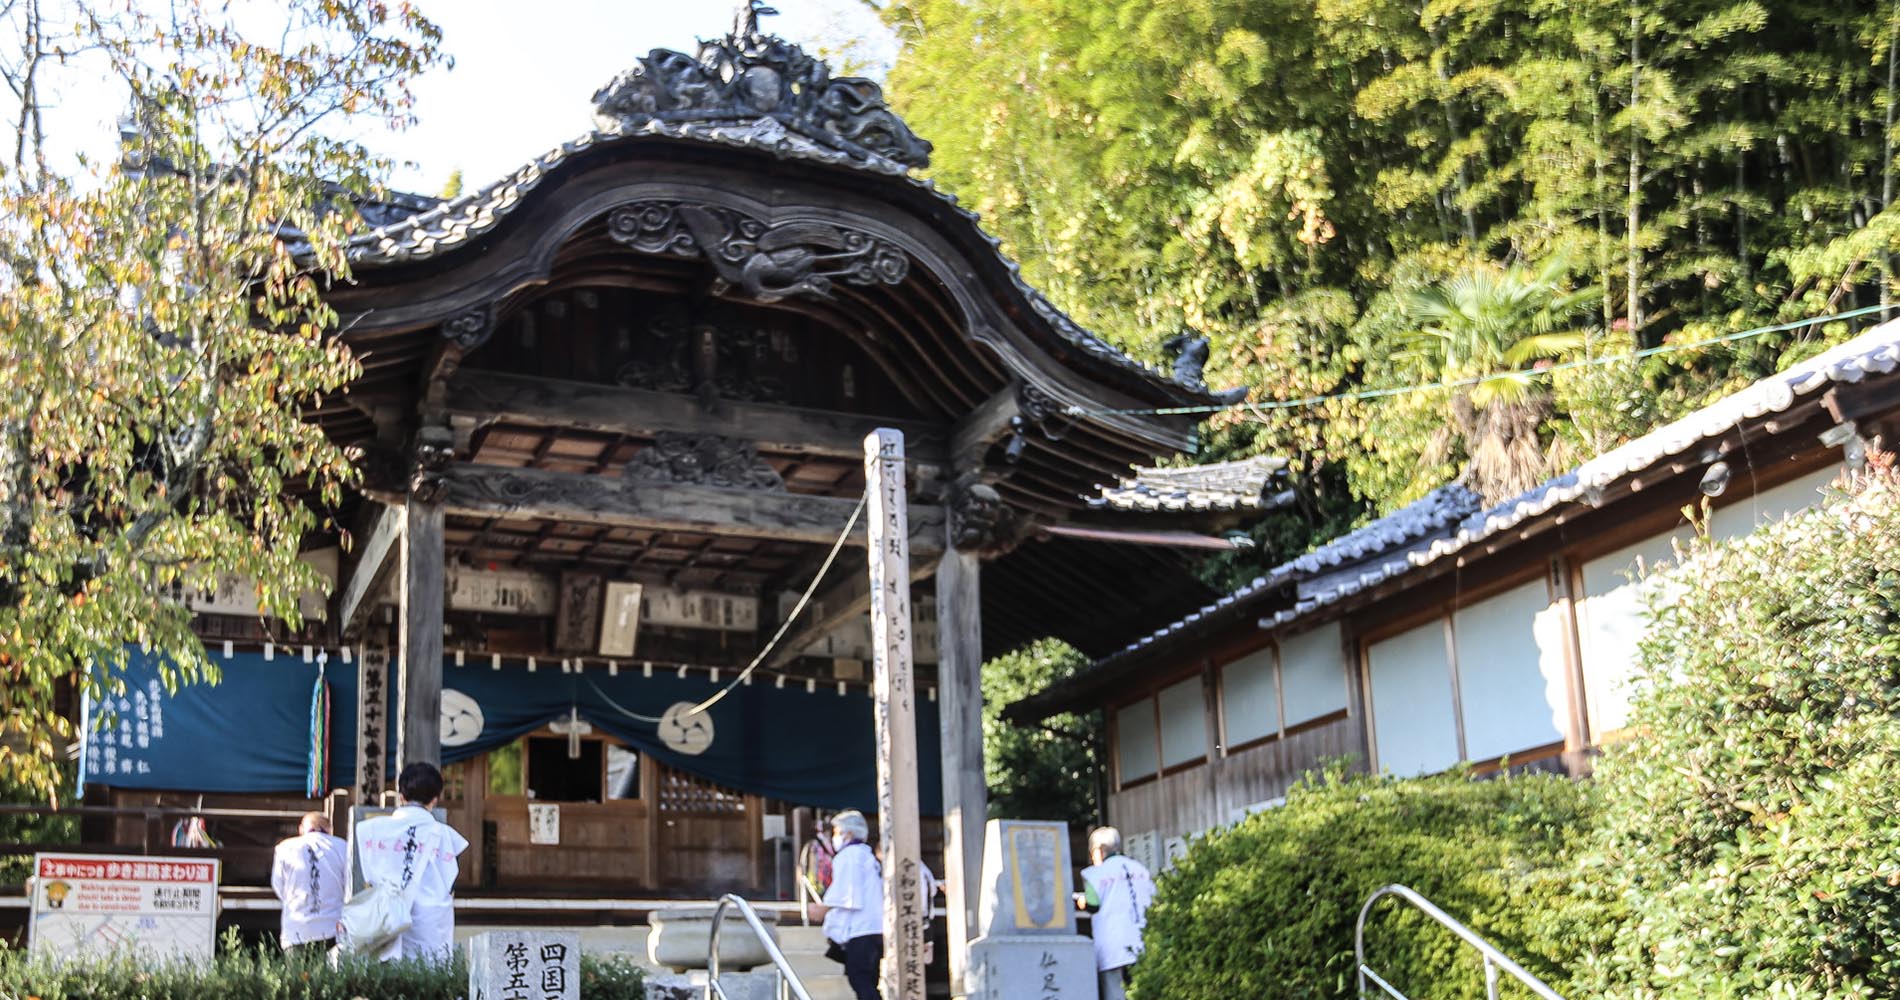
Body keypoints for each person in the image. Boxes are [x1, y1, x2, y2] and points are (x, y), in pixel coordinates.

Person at [351, 763, 468, 963]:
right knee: (430, 980)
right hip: (430, 923)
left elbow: (363, 876)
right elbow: (450, 883)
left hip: (385, 920)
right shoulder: (448, 837)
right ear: (435, 799)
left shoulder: (370, 829)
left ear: (401, 796)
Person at [807, 809, 883, 1000]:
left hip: (861, 929)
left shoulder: (850, 855)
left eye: (835, 832)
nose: (833, 837)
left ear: (847, 833)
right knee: (867, 979)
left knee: (860, 978)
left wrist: (823, 908)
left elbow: (847, 892)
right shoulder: (867, 856)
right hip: (873, 927)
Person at [1078, 826, 1156, 1000]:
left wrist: (1082, 903)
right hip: (1144, 944)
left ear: (1099, 850)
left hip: (1112, 949)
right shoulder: (1141, 870)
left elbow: (1092, 905)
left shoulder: (1095, 874)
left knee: (1116, 993)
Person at [269, 812, 347, 955]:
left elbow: (279, 886)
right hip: (332, 928)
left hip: (297, 927)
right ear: (329, 829)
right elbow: (349, 886)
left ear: (301, 829)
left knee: (297, 976)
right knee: (331, 975)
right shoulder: (342, 847)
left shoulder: (284, 848)